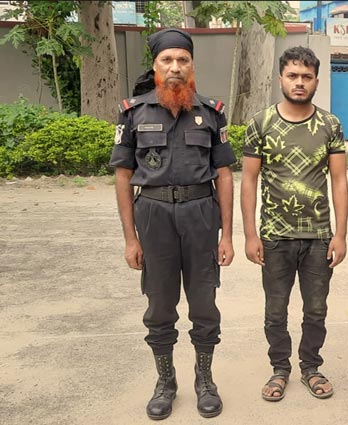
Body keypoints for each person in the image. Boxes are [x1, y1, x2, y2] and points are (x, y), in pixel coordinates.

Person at [110, 28, 235, 420]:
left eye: (182, 60)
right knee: (160, 306)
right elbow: (122, 176)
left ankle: (204, 380)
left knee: (204, 303)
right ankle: (165, 382)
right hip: (154, 216)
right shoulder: (133, 112)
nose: (175, 68)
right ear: (156, 66)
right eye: (167, 61)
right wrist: (131, 239)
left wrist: (228, 234)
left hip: (201, 214)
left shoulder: (212, 112)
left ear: (192, 65)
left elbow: (225, 175)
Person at [241, 46, 348, 401]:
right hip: (274, 236)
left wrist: (341, 235)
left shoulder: (330, 124)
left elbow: (338, 181)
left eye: (306, 76)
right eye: (293, 76)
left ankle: (311, 367)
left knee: (316, 309)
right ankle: (280, 369)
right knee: (276, 309)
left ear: (316, 80)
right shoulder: (261, 124)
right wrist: (250, 234)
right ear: (280, 79)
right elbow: (249, 181)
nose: (299, 83)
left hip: (318, 237)